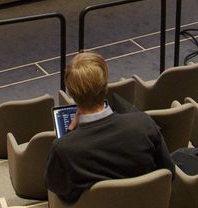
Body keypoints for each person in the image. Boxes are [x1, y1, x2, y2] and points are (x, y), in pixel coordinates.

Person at [44, 52, 174, 204]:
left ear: (71, 93)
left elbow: (57, 188)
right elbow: (169, 173)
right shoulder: (144, 124)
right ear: (105, 87)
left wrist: (70, 133)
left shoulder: (63, 148)